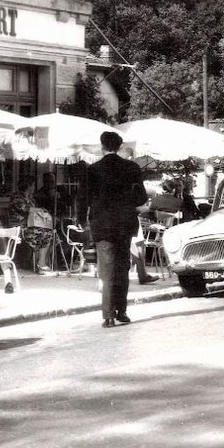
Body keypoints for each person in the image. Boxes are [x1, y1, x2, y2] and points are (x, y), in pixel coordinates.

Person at [76, 129, 148, 328]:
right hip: (125, 224)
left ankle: (108, 315)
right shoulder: (132, 168)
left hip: (102, 226)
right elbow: (141, 198)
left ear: (102, 147)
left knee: (106, 270)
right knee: (122, 268)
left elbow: (82, 199)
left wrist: (81, 219)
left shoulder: (92, 170)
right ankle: (122, 311)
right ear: (118, 146)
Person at [8, 179, 51, 272]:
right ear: (28, 186)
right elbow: (27, 210)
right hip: (20, 227)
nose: (34, 188)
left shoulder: (30, 198)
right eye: (33, 185)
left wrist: (41, 211)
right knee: (44, 234)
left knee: (48, 233)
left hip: (32, 225)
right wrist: (40, 210)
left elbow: (35, 211)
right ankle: (41, 263)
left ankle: (41, 262)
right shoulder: (16, 197)